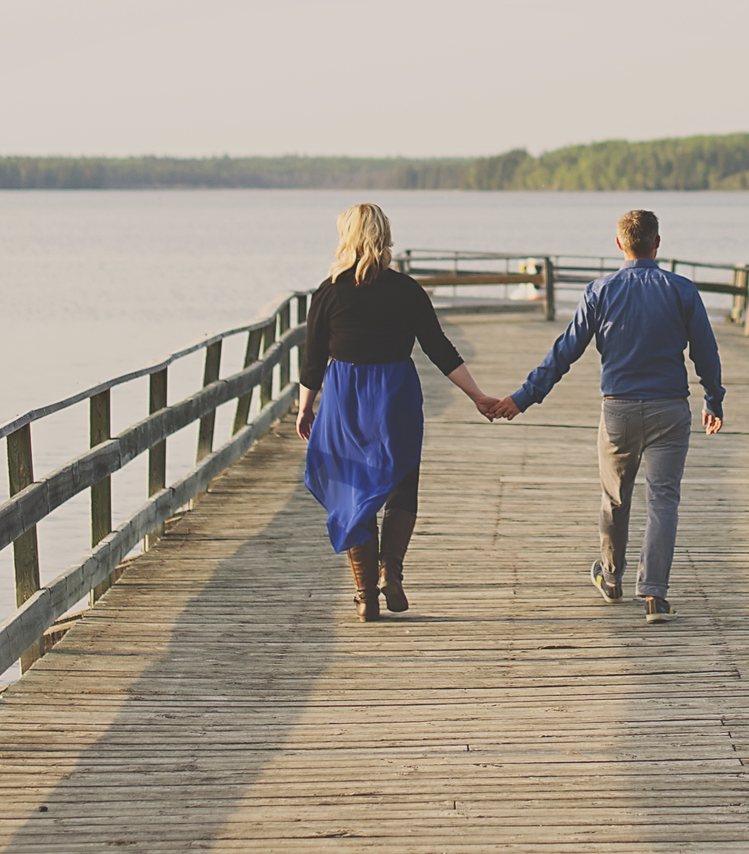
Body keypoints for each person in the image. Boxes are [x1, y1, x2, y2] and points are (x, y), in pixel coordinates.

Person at [490, 209, 724, 624]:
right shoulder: (682, 291)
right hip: (670, 407)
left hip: (617, 409)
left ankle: (612, 578)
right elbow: (705, 351)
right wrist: (713, 400)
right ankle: (654, 595)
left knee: (616, 498)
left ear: (619, 244)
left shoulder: (600, 291)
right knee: (663, 500)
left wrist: (523, 398)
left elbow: (565, 351)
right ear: (657, 243)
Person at [296, 203, 506, 621]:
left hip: (345, 401)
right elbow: (438, 347)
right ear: (385, 237)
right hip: (395, 396)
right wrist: (476, 395)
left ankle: (364, 595)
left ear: (346, 237)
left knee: (353, 492)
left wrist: (305, 407)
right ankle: (390, 570)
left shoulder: (329, 292)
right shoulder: (407, 290)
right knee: (402, 485)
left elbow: (313, 357)